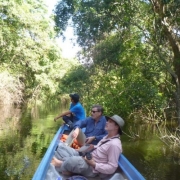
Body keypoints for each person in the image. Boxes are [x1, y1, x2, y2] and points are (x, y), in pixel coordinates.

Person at [51, 114, 125, 178]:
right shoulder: (107, 137)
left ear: (116, 127)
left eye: (110, 122)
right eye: (108, 120)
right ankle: (70, 168)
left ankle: (60, 164)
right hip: (87, 157)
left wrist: (94, 164)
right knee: (62, 148)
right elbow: (101, 149)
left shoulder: (114, 145)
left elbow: (112, 168)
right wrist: (91, 147)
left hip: (92, 168)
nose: (106, 122)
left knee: (74, 161)